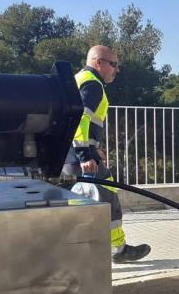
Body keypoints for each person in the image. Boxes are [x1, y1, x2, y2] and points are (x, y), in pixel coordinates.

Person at [62, 45, 151, 264]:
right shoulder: (92, 84)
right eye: (113, 64)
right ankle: (117, 251)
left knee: (73, 203)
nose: (116, 69)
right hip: (78, 155)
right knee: (108, 197)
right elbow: (81, 119)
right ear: (98, 62)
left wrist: (93, 149)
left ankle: (74, 252)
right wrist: (85, 154)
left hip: (66, 153)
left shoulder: (78, 79)